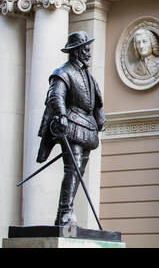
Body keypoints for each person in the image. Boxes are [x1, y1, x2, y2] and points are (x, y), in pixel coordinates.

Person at [36, 31, 106, 226]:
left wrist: (100, 118)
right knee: (72, 169)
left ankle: (63, 214)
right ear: (75, 52)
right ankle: (65, 212)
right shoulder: (62, 72)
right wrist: (62, 115)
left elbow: (96, 102)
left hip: (87, 126)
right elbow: (55, 96)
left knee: (79, 170)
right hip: (72, 124)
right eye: (85, 50)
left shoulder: (88, 76)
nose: (89, 54)